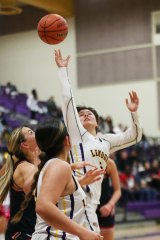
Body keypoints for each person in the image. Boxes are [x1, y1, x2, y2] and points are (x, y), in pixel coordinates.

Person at [54, 49, 142, 233]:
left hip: (91, 203)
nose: (85, 115)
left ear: (97, 121)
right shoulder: (77, 133)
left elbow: (134, 136)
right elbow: (68, 101)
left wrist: (133, 112)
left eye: (89, 113)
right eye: (81, 114)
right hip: (75, 195)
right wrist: (63, 70)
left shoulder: (106, 141)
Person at [14, 119, 103, 240]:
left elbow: (60, 196)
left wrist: (80, 181)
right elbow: (43, 206)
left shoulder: (51, 166)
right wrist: (83, 232)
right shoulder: (59, 165)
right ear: (67, 140)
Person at [0, 126, 40, 240]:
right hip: (24, 233)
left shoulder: (17, 164)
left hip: (21, 232)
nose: (35, 132)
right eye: (31, 132)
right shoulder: (25, 167)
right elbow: (40, 188)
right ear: (25, 144)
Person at [96, 158, 121, 240]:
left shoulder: (109, 163)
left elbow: (118, 191)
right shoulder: (80, 159)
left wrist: (110, 205)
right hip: (87, 209)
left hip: (105, 209)